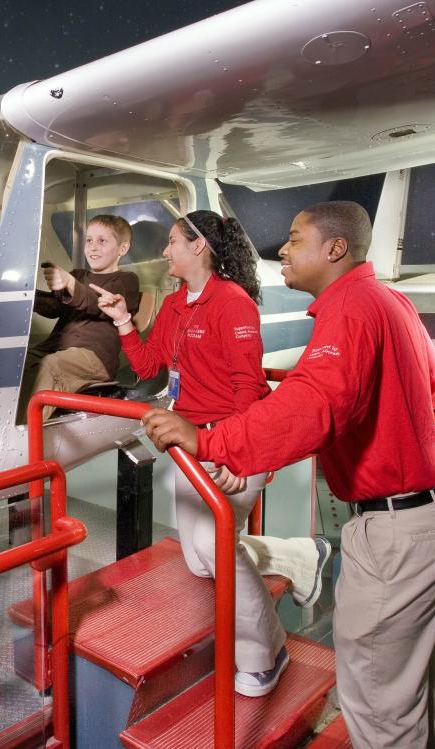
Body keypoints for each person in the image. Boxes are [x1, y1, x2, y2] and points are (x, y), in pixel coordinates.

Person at [141, 201, 435, 748]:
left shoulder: (349, 308)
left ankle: (272, 635)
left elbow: (315, 404)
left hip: (396, 527)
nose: (283, 247)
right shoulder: (386, 300)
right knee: (410, 687)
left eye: (296, 238)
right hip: (419, 513)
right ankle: (302, 556)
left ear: (335, 249)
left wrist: (213, 442)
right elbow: (430, 385)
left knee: (377, 700)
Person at [92, 209, 329, 697]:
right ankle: (301, 556)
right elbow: (149, 365)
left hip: (229, 444)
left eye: (173, 242)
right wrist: (121, 322)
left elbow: (249, 387)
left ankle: (267, 654)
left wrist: (238, 457)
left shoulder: (233, 303)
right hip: (190, 444)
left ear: (199, 247)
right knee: (201, 560)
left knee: (215, 551)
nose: (165, 251)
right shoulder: (178, 304)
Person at [20, 214, 141, 422]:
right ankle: (12, 422)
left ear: (122, 249)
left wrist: (70, 284)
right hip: (58, 348)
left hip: (95, 358)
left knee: (51, 365)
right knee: (19, 361)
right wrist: (24, 294)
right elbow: (53, 308)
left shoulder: (126, 281)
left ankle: (27, 432)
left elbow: (97, 303)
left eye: (102, 241)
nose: (93, 247)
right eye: (89, 240)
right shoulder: (79, 275)